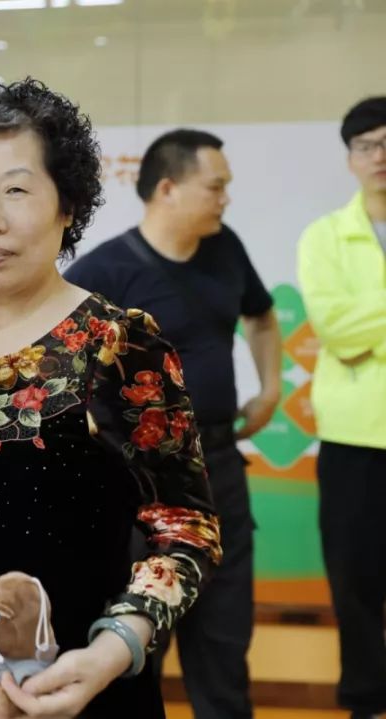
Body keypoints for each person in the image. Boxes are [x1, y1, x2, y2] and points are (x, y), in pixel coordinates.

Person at [0, 79, 221, 719]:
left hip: (76, 680)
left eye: (17, 190)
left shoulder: (116, 342)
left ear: (67, 205)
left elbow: (187, 529)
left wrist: (115, 647)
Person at [64, 128, 281, 718]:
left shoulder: (225, 248)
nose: (225, 198)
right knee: (135, 643)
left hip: (219, 470)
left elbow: (262, 317)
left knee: (226, 641)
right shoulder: (103, 272)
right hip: (139, 481)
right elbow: (65, 375)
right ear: (168, 188)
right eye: (216, 186)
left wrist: (270, 388)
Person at [297, 96, 386, 719]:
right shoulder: (325, 235)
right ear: (350, 158)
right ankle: (366, 702)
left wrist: (368, 317)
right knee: (355, 582)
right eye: (366, 146)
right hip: (355, 436)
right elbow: (335, 329)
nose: (379, 157)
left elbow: (359, 326)